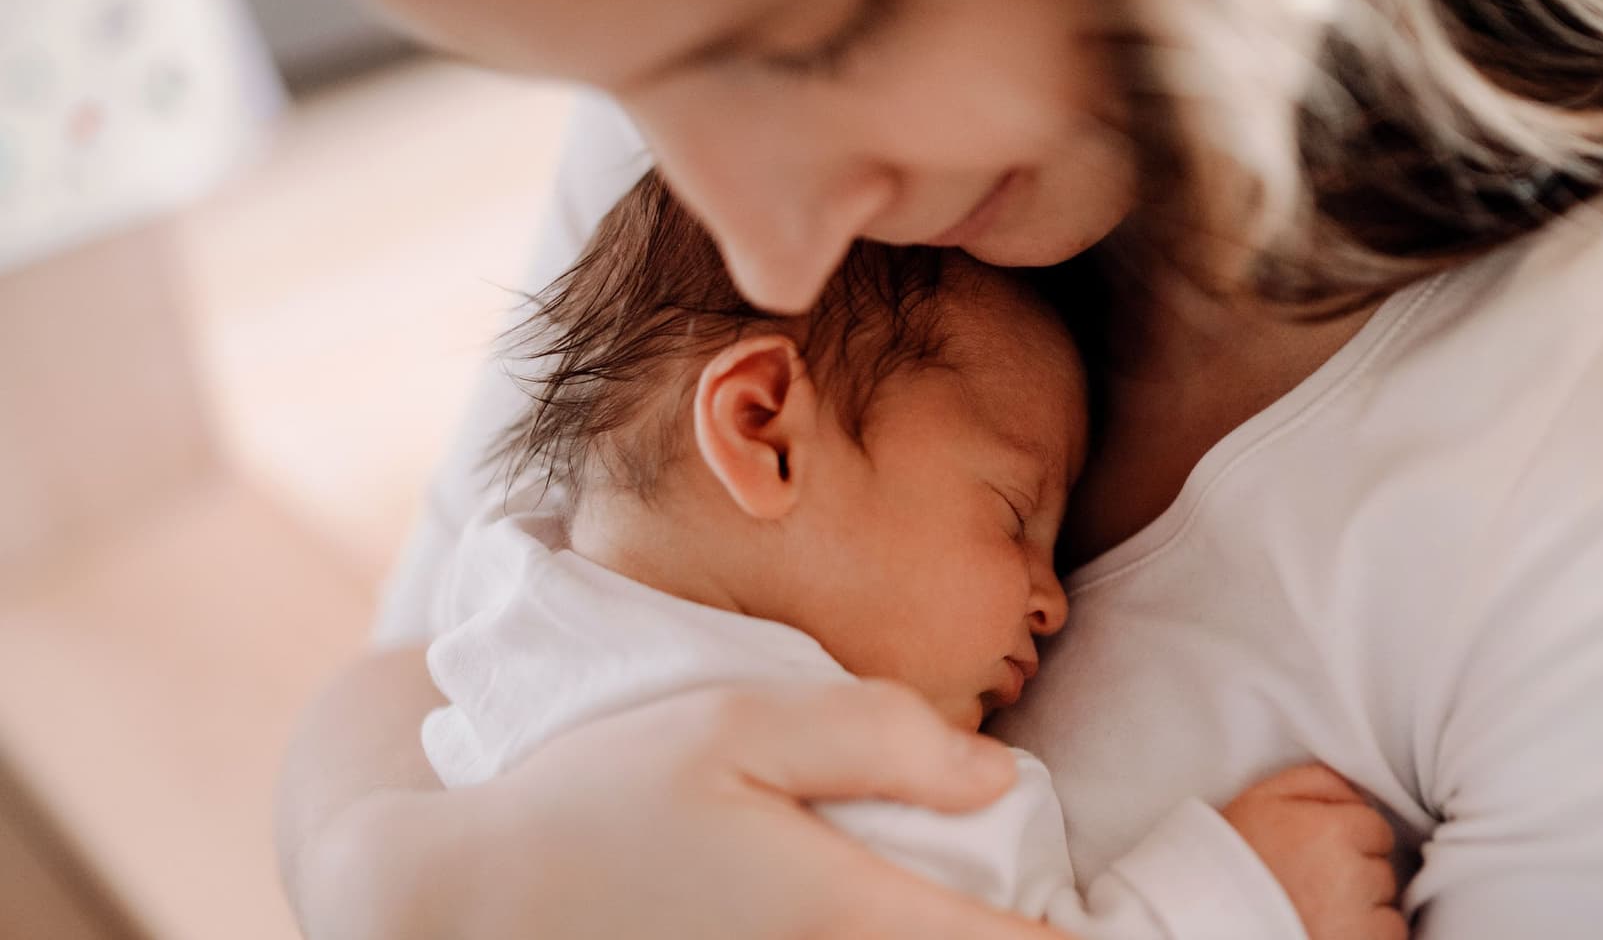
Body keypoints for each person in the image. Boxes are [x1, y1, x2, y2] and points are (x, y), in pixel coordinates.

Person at [164, 0, 1603, 937]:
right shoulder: (741, 172)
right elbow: (437, 657)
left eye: (807, 35)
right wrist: (397, 879)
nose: (759, 231)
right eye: (605, 71)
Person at [421, 170, 1402, 939]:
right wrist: (1235, 903)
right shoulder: (830, 768)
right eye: (1015, 515)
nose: (1051, 602)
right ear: (764, 432)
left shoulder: (513, 639)